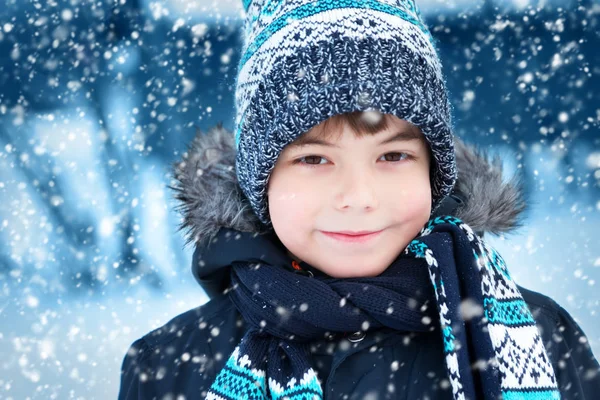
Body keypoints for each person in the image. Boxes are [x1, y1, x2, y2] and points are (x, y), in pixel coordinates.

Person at [118, 1, 600, 399]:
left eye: (391, 155)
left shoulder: (538, 334)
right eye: (313, 159)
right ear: (259, 180)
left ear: (433, 173)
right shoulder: (168, 366)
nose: (358, 197)